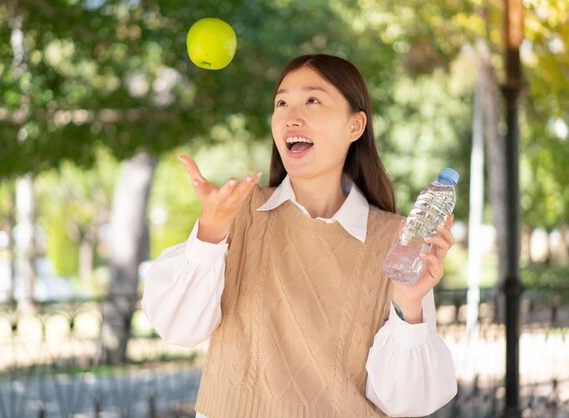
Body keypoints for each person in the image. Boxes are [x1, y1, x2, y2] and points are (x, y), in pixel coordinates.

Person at [142, 53, 457, 418]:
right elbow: (177, 328)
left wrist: (408, 305)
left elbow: (406, 403)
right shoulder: (238, 215)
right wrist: (209, 234)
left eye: (313, 99)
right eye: (281, 102)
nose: (291, 115)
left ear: (355, 126)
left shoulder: (397, 240)